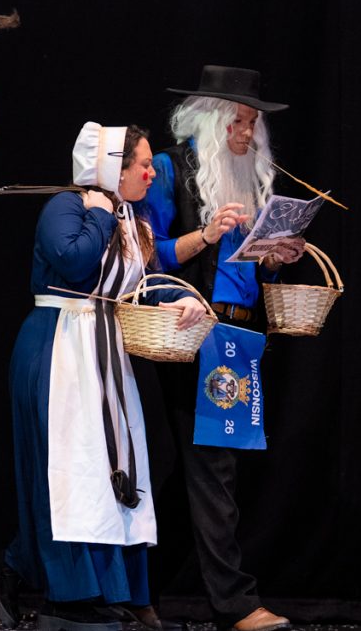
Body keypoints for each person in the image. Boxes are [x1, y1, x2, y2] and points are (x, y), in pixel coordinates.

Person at [0, 123, 206, 631]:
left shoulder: (129, 220)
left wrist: (182, 298)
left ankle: (88, 586)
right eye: (142, 164)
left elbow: (140, 284)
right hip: (58, 345)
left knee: (108, 474)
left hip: (103, 354)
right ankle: (67, 596)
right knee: (70, 471)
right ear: (111, 169)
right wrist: (100, 215)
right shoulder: (68, 206)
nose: (152, 173)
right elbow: (73, 261)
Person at [139, 66, 304, 631]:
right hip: (190, 335)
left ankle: (136, 591)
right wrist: (207, 233)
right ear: (209, 119)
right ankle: (235, 604)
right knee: (214, 469)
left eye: (253, 123)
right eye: (237, 120)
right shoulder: (170, 169)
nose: (246, 133)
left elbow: (247, 272)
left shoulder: (249, 177)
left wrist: (274, 258)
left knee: (193, 474)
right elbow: (149, 255)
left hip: (240, 336)